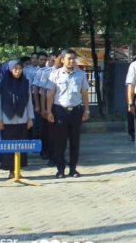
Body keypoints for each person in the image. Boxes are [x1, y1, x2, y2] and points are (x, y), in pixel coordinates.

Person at [45, 49, 90, 178]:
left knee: (75, 142)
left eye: (73, 58)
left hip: (76, 111)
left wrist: (86, 110)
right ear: (62, 59)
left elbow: (85, 93)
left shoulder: (81, 74)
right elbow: (50, 94)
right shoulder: (55, 75)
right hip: (60, 111)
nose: (71, 61)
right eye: (69, 58)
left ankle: (73, 168)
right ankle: (60, 169)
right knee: (60, 142)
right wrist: (48, 111)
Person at [0, 60, 34, 179]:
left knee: (21, 146)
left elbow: (29, 101)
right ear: (9, 70)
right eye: (15, 68)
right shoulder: (1, 83)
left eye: (20, 68)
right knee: (9, 146)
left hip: (22, 119)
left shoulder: (26, 82)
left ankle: (18, 170)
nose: (18, 71)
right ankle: (11, 171)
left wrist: (30, 117)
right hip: (6, 120)